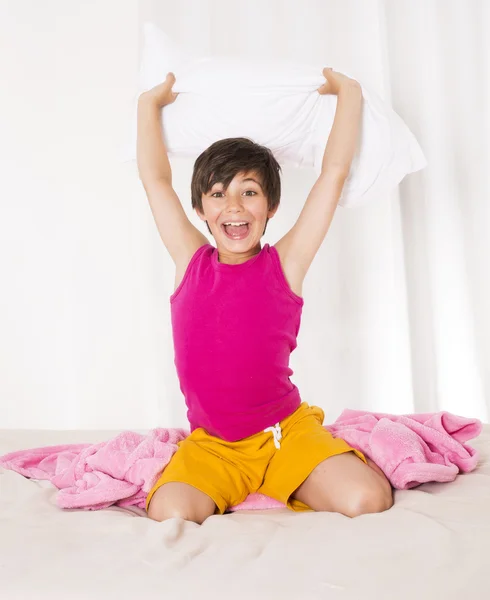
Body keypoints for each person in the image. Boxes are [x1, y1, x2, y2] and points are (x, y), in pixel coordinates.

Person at [137, 67, 394, 524]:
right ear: (199, 209)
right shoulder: (190, 261)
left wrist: (348, 94)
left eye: (249, 192)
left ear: (271, 206)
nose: (233, 206)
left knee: (367, 499)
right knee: (169, 512)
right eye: (218, 194)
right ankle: (241, 485)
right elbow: (156, 180)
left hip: (284, 437)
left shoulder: (285, 264)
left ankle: (283, 478)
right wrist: (148, 106)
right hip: (213, 447)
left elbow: (332, 175)